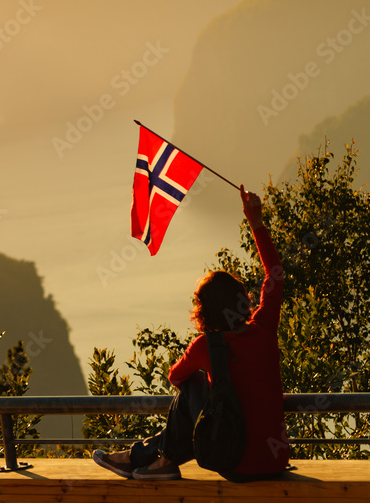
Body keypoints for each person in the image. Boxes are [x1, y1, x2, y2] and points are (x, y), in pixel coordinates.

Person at [93, 185, 289, 481]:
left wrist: (211, 376)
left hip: (236, 464)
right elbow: (274, 272)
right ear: (243, 299)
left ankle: (159, 459)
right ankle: (148, 457)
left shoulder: (206, 346)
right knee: (200, 391)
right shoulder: (265, 327)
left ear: (204, 312)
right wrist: (255, 221)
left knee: (193, 385)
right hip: (275, 461)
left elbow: (175, 377)